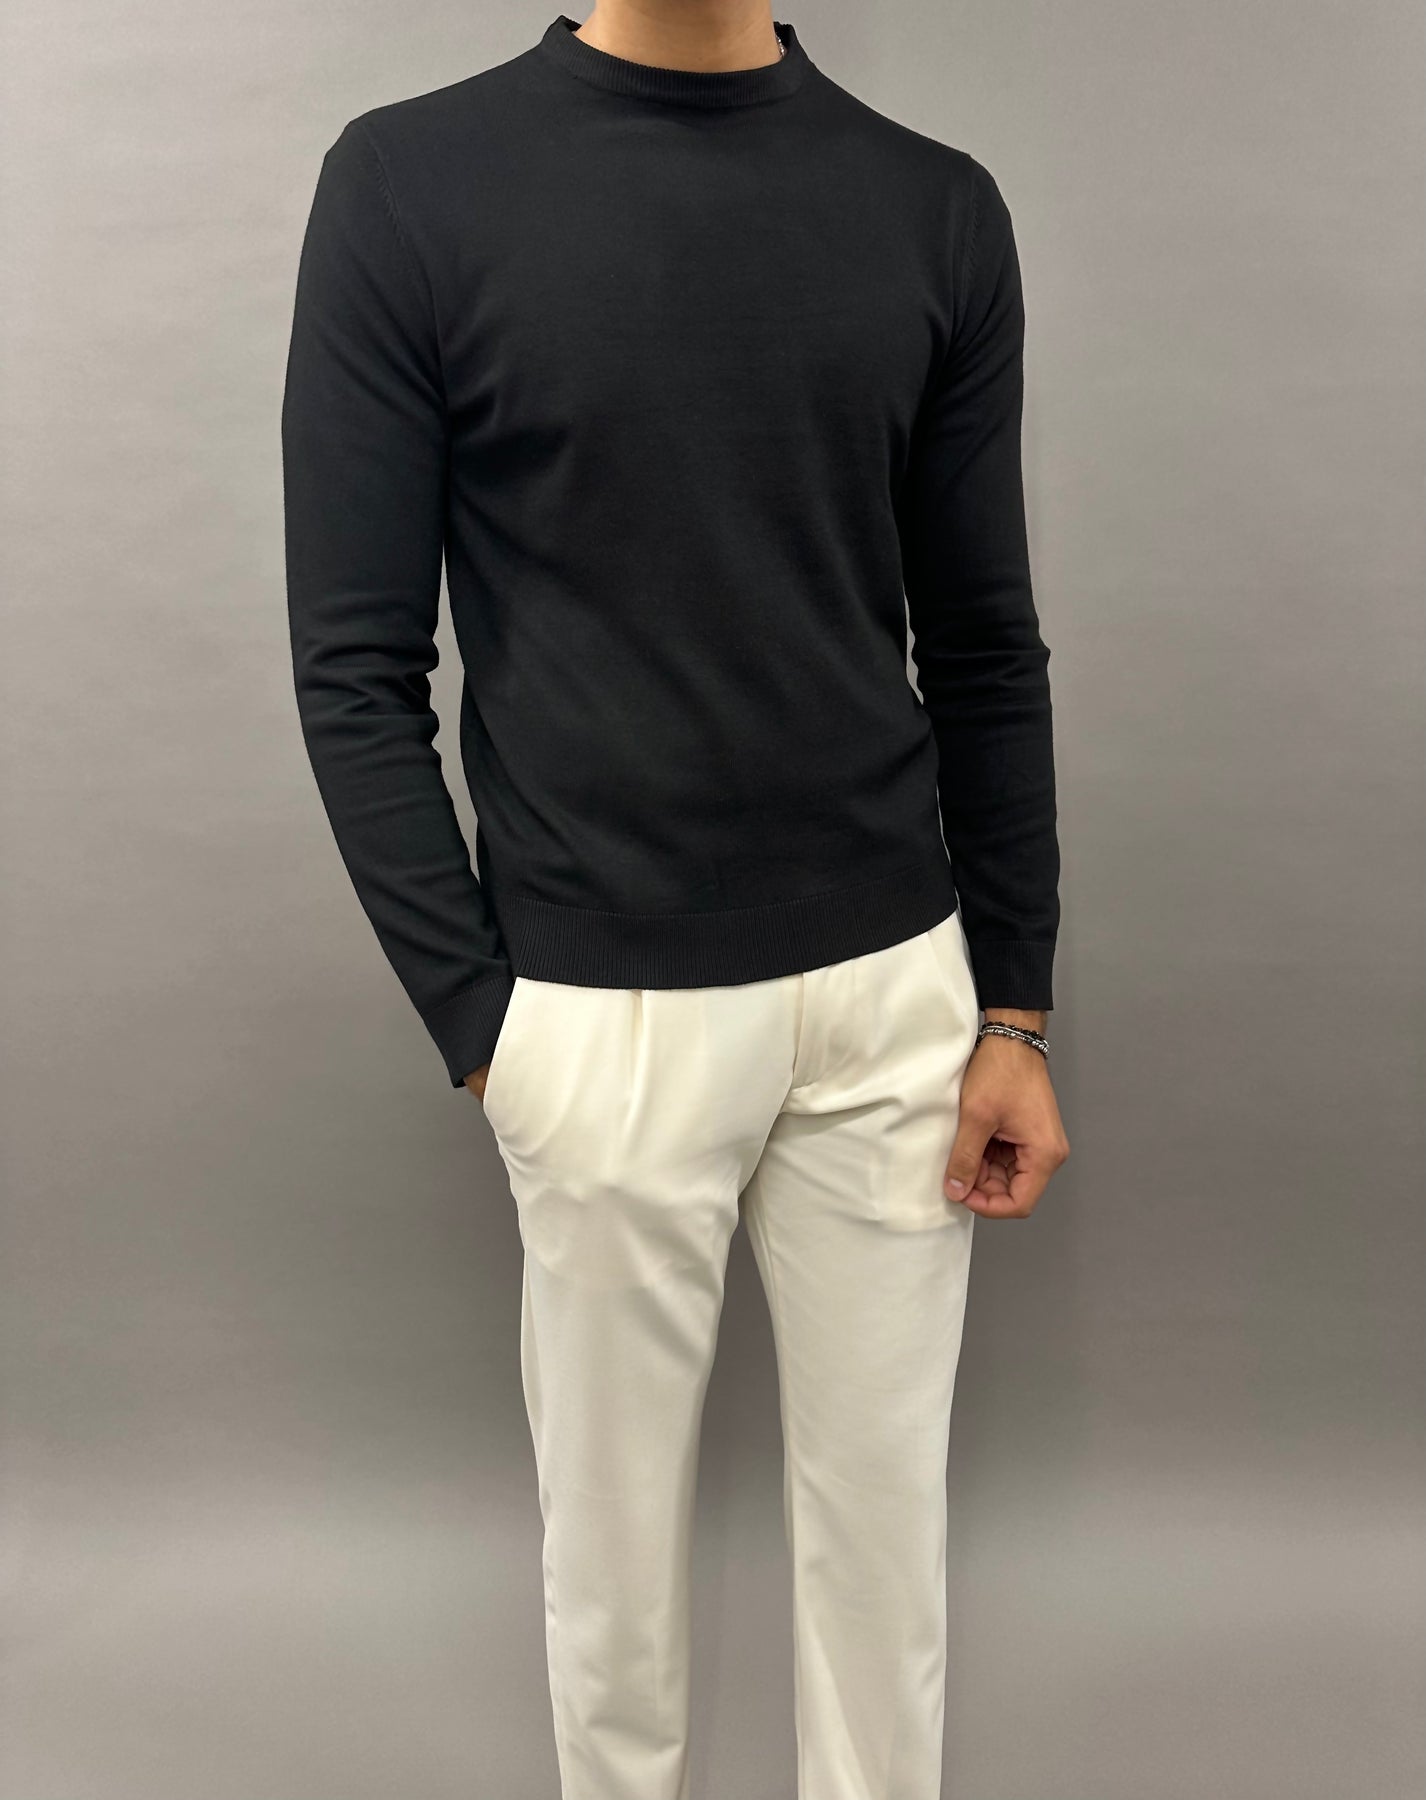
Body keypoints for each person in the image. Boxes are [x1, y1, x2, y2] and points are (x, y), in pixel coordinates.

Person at [281, 4, 1070, 1794]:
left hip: (896, 997)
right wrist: (484, 1024)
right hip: (598, 1009)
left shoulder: (933, 206)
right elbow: (354, 663)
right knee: (614, 1591)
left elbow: (982, 642)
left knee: (886, 1562)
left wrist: (1011, 1005)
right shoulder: (411, 185)